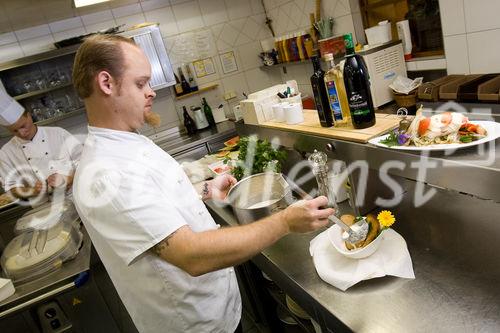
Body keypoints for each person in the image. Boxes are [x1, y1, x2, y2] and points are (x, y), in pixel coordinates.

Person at [71, 34, 334, 333]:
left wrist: (204, 191)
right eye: (140, 83)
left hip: (212, 309)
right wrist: (286, 221)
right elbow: (191, 254)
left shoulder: (128, 143)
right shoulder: (108, 173)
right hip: (194, 324)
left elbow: (154, 203)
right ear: (106, 83)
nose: (151, 92)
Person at [0, 82, 82, 203]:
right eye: (15, 130)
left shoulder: (58, 133)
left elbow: (83, 161)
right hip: (43, 207)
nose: (22, 133)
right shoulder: (5, 153)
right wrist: (34, 190)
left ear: (29, 116)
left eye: (23, 126)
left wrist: (70, 179)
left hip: (75, 197)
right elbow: (11, 187)